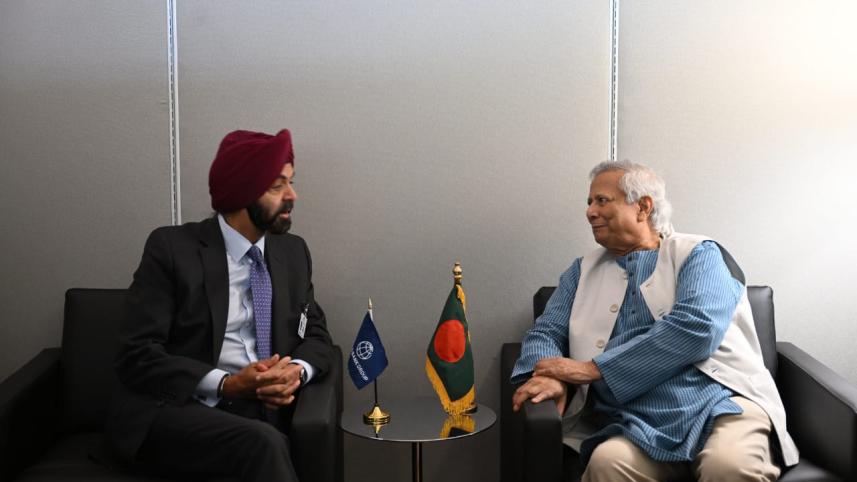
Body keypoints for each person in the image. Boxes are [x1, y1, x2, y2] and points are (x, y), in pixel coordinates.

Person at [511, 161, 798, 482]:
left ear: (643, 207)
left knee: (728, 468)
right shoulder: (581, 272)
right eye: (589, 202)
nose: (590, 212)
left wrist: (590, 370)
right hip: (633, 420)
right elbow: (546, 332)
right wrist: (547, 378)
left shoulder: (699, 254)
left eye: (602, 201)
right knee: (607, 464)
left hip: (720, 404)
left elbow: (697, 327)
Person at [106, 129, 334, 482]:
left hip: (264, 407)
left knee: (266, 434)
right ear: (243, 193)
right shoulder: (172, 249)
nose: (293, 195)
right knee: (263, 441)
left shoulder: (293, 253)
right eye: (277, 186)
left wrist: (296, 372)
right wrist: (227, 384)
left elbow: (316, 334)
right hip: (182, 406)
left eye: (291, 182)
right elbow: (136, 354)